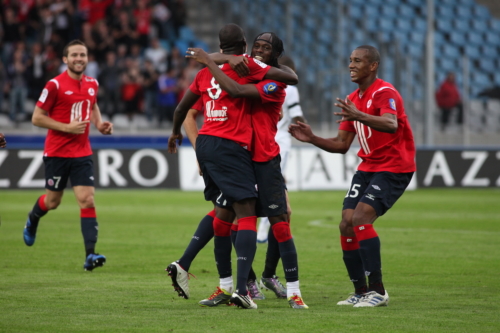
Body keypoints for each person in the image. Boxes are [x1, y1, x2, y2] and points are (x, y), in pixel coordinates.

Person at [166, 23, 298, 309]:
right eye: (255, 46)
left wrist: (178, 135)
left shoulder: (211, 72)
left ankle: (202, 271)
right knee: (245, 212)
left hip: (222, 148)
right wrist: (218, 60)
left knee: (223, 210)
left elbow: (183, 111)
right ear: (244, 44)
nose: (259, 50)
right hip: (235, 150)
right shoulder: (237, 68)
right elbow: (232, 93)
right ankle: (241, 287)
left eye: (266, 47)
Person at [289, 45, 416, 307]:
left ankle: (378, 291)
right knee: (346, 223)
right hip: (368, 166)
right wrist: (312, 138)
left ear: (373, 66)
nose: (351, 65)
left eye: (358, 61)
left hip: (394, 166)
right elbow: (342, 144)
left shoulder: (384, 92)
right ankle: (360, 291)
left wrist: (361, 115)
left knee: (360, 218)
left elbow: (391, 124)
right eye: (349, 60)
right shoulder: (352, 99)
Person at [22, 40, 114, 272]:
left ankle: (90, 255)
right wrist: (67, 127)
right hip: (57, 152)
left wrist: (100, 124)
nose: (79, 58)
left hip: (82, 152)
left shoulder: (92, 83)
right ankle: (33, 218)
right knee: (53, 202)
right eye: (74, 55)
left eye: (82, 54)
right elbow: (37, 117)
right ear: (65, 59)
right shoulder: (54, 85)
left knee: (87, 200)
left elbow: (92, 105)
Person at [256, 55, 306, 244]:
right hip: (280, 141)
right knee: (275, 184)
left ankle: (261, 228)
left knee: (265, 183)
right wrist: (308, 131)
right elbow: (297, 114)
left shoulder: (265, 84)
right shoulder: (290, 89)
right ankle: (263, 231)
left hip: (263, 138)